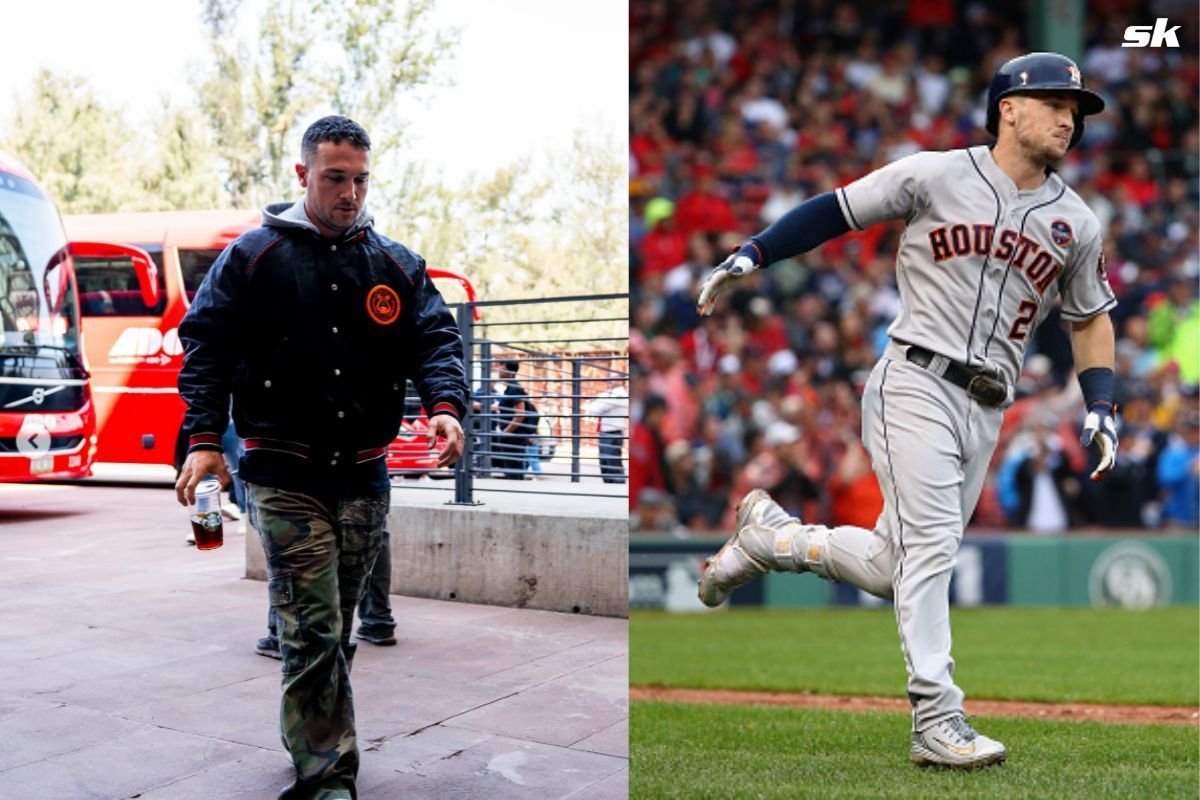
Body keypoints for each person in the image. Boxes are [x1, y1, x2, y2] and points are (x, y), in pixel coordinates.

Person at [694, 53, 1118, 770]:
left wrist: (1102, 404)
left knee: (898, 565)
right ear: (1007, 108)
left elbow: (1089, 320)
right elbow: (838, 208)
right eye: (1054, 103)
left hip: (987, 410)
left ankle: (774, 542)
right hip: (914, 380)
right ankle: (936, 717)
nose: (1068, 118)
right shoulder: (934, 173)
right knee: (931, 551)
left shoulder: (1076, 221)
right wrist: (753, 254)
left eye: (1076, 110)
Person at [174, 115, 467, 800]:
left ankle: (312, 735)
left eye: (361, 179)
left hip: (365, 470)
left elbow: (434, 339)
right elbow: (206, 347)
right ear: (303, 174)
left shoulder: (396, 263)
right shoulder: (251, 258)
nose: (350, 193)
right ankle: (328, 774)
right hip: (282, 469)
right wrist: (203, 441)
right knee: (311, 626)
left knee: (333, 627)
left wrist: (446, 407)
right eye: (335, 177)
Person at [494, 359, 532, 479]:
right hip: (510, 436)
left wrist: (506, 432)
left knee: (513, 469)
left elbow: (520, 414)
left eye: (502, 368)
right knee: (510, 468)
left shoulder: (515, 388)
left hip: (513, 436)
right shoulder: (509, 389)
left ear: (511, 372)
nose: (499, 370)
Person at [587, 384, 629, 483]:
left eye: (613, 379)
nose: (609, 382)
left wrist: (598, 400)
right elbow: (594, 409)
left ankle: (615, 483)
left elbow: (595, 409)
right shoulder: (612, 395)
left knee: (611, 461)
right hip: (609, 431)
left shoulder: (617, 395)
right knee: (607, 460)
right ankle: (611, 482)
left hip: (611, 432)